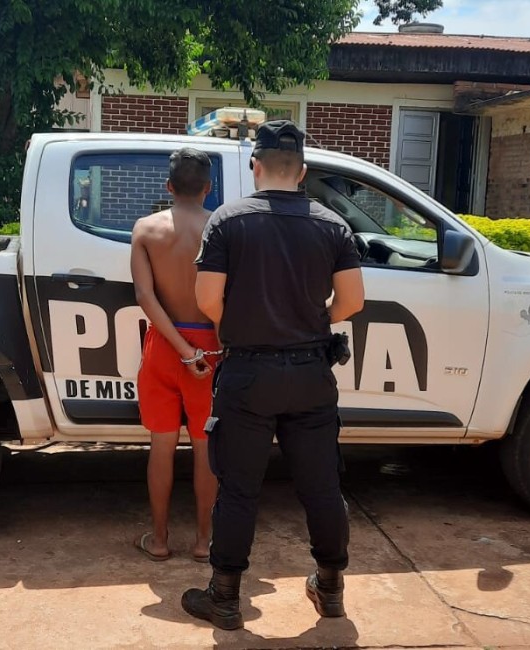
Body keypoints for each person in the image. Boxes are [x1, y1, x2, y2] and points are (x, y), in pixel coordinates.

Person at [182, 121, 365, 630]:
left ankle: (224, 599)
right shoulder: (333, 225)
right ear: (302, 172)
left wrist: (248, 324)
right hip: (311, 373)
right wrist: (311, 322)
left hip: (248, 374)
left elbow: (207, 299)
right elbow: (352, 301)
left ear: (255, 167)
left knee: (239, 489)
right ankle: (330, 589)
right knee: (322, 487)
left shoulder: (228, 221)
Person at [130, 148, 221, 563]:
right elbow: (227, 296)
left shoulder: (146, 229)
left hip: (165, 347)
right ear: (208, 188)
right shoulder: (220, 228)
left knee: (161, 446)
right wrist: (209, 349)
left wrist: (182, 350)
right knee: (206, 447)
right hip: (210, 349)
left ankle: (160, 539)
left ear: (168, 186)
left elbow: (145, 296)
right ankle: (204, 542)